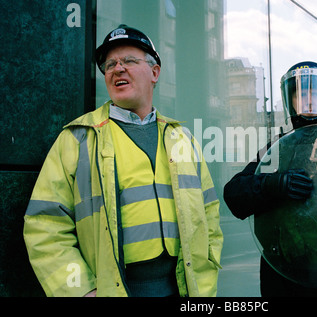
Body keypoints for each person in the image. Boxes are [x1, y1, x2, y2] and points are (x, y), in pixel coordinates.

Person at [23, 25, 223, 297]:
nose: (117, 69)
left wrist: (205, 282)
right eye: (110, 64)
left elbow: (210, 216)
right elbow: (44, 226)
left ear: (155, 73)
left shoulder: (183, 139)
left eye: (129, 60)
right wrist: (81, 291)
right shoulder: (78, 139)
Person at [223, 61, 317, 297]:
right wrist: (271, 184)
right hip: (284, 276)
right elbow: (234, 195)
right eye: (301, 93)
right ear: (291, 100)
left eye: (316, 93)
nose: (308, 100)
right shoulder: (277, 149)